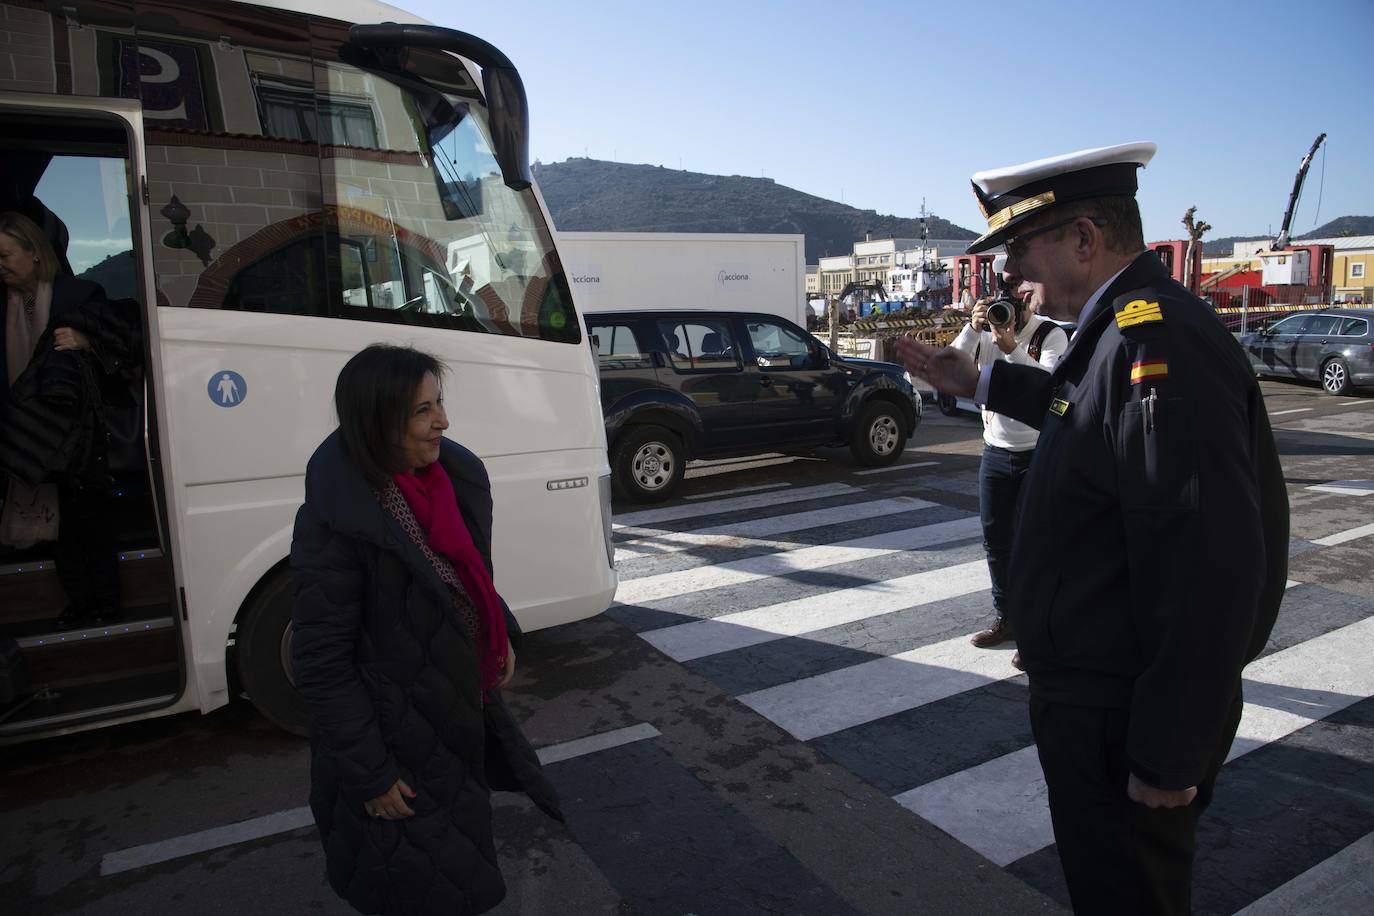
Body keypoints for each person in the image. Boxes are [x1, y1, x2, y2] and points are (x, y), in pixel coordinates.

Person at [895, 142, 1288, 914]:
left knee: (1128, 896)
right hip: (1097, 701)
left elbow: (1206, 564)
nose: (1008, 274)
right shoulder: (1115, 331)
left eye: (1019, 248)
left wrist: (1171, 752)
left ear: (1083, 238)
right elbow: (1085, 421)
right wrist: (976, 379)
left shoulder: (1154, 342)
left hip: (1124, 715)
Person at [291, 344, 562, 916]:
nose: (443, 421)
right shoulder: (337, 519)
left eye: (438, 404)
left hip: (450, 721)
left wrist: (498, 631)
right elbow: (323, 663)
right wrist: (370, 776)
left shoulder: (446, 482)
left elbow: (466, 581)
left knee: (452, 874)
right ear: (377, 421)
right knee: (423, 887)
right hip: (395, 749)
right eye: (422, 411)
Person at [0, 211, 134, 626]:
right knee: (60, 528)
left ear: (34, 253)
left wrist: (86, 341)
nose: (0, 265)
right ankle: (78, 601)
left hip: (82, 432)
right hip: (29, 432)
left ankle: (105, 604)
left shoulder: (79, 294)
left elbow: (125, 348)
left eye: (5, 255)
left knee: (89, 520)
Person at [949, 259, 1068, 669]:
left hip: (1040, 454)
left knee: (1038, 546)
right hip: (996, 452)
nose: (1013, 296)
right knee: (996, 542)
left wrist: (1013, 349)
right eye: (1007, 286)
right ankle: (1008, 619)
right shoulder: (988, 331)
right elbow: (948, 367)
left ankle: (1039, 631)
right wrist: (972, 327)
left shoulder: (1051, 334)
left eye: (1019, 287)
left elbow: (1049, 386)